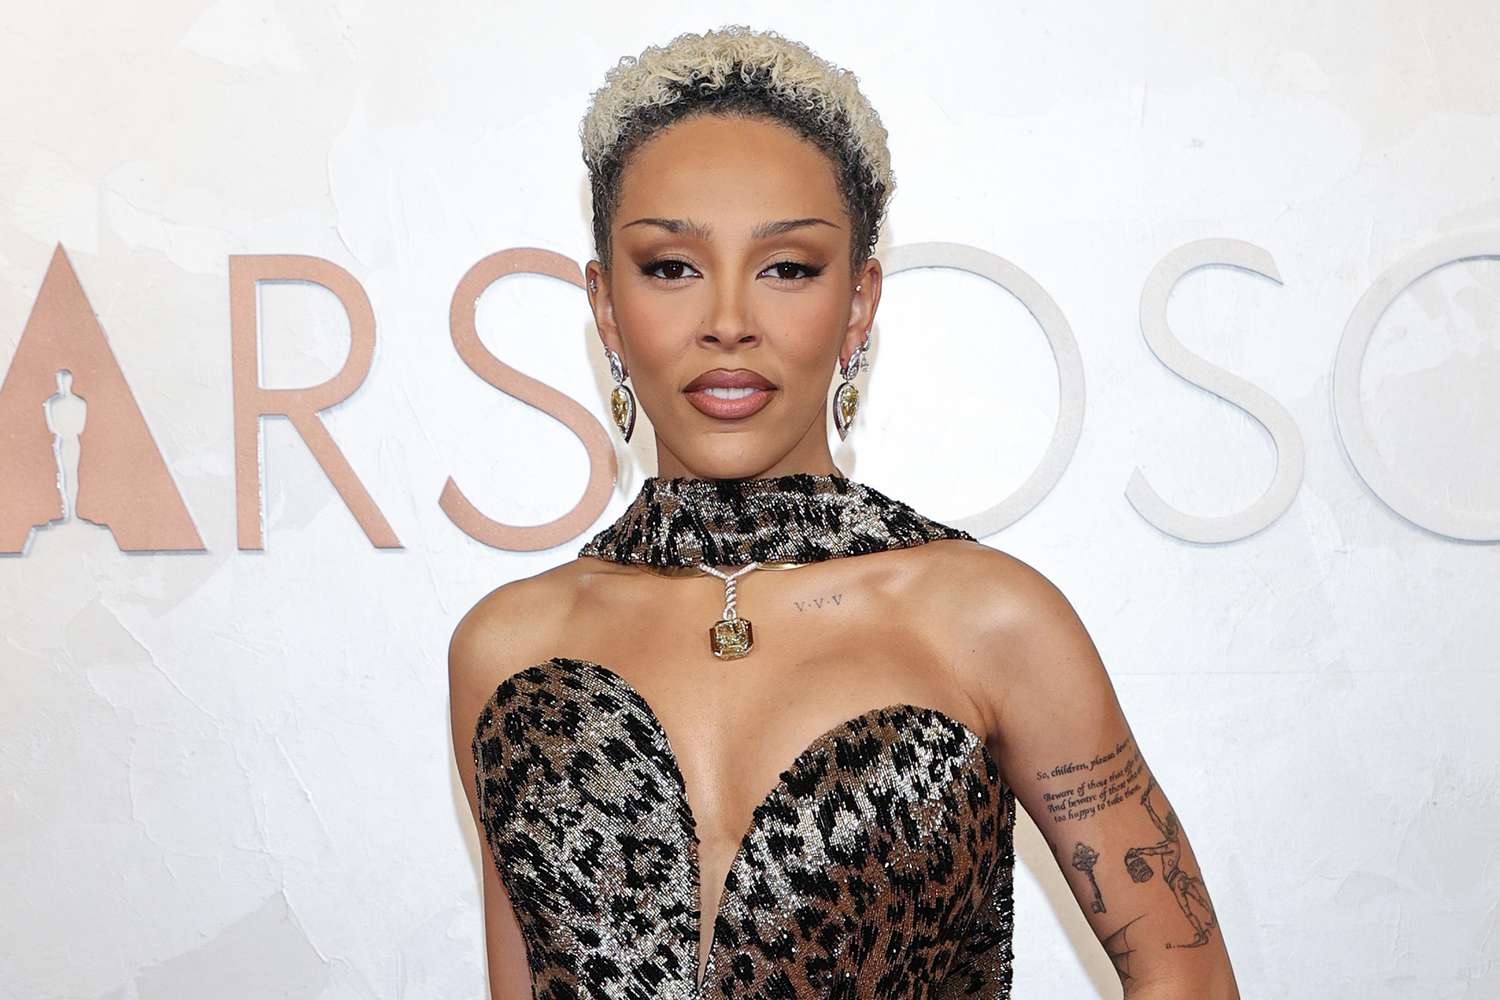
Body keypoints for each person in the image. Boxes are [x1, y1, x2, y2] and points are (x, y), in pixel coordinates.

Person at [448, 24, 1241, 999]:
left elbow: (1186, 974)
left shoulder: (989, 619)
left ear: (858, 303)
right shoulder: (506, 648)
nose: (728, 320)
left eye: (787, 267)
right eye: (671, 266)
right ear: (606, 306)